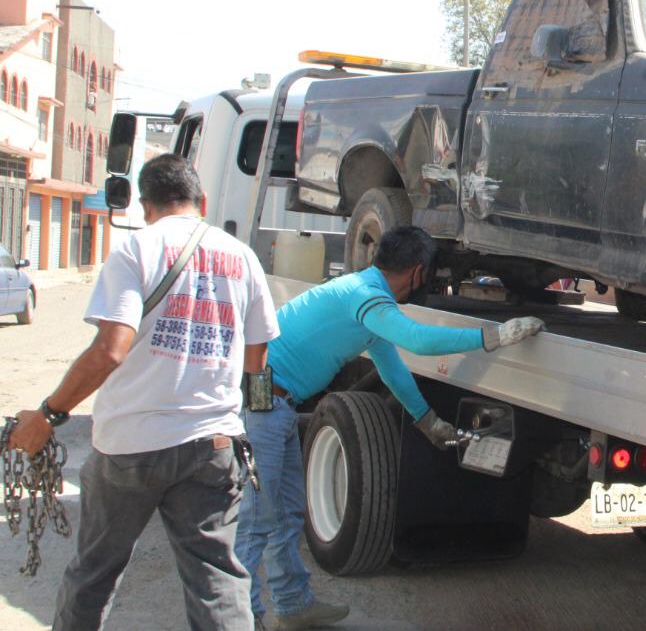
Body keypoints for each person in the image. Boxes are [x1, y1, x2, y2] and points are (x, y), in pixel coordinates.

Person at [6, 154, 279, 631]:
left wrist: (49, 414)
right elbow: (257, 361)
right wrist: (252, 419)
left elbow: (111, 351)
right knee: (217, 579)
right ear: (203, 201)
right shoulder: (243, 258)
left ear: (144, 204)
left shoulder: (137, 250)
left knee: (94, 573)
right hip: (213, 444)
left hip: (131, 445)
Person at [236, 225, 543, 631]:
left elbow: (392, 366)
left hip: (276, 404)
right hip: (264, 401)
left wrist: (427, 421)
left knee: (288, 511)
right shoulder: (367, 296)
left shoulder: (365, 295)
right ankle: (242, 619)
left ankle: (292, 605)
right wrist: (493, 336)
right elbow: (417, 340)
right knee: (258, 517)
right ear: (417, 271)